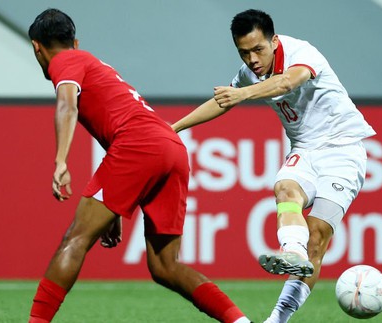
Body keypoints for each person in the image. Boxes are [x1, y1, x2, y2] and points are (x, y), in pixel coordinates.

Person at [27, 8, 251, 323]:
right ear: (74, 40)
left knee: (75, 239)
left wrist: (60, 160)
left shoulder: (65, 61)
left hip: (140, 145)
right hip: (170, 145)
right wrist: (115, 210)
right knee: (165, 266)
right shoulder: (92, 63)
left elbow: (67, 104)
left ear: (37, 47)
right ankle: (240, 321)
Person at [171, 9, 376, 323]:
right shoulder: (249, 74)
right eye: (244, 52)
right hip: (305, 150)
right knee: (284, 188)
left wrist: (242, 93)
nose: (252, 59)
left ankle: (277, 319)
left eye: (258, 50)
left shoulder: (302, 53)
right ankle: (292, 250)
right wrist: (175, 127)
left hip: (344, 149)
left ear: (274, 41)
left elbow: (286, 82)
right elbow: (220, 101)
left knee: (318, 237)